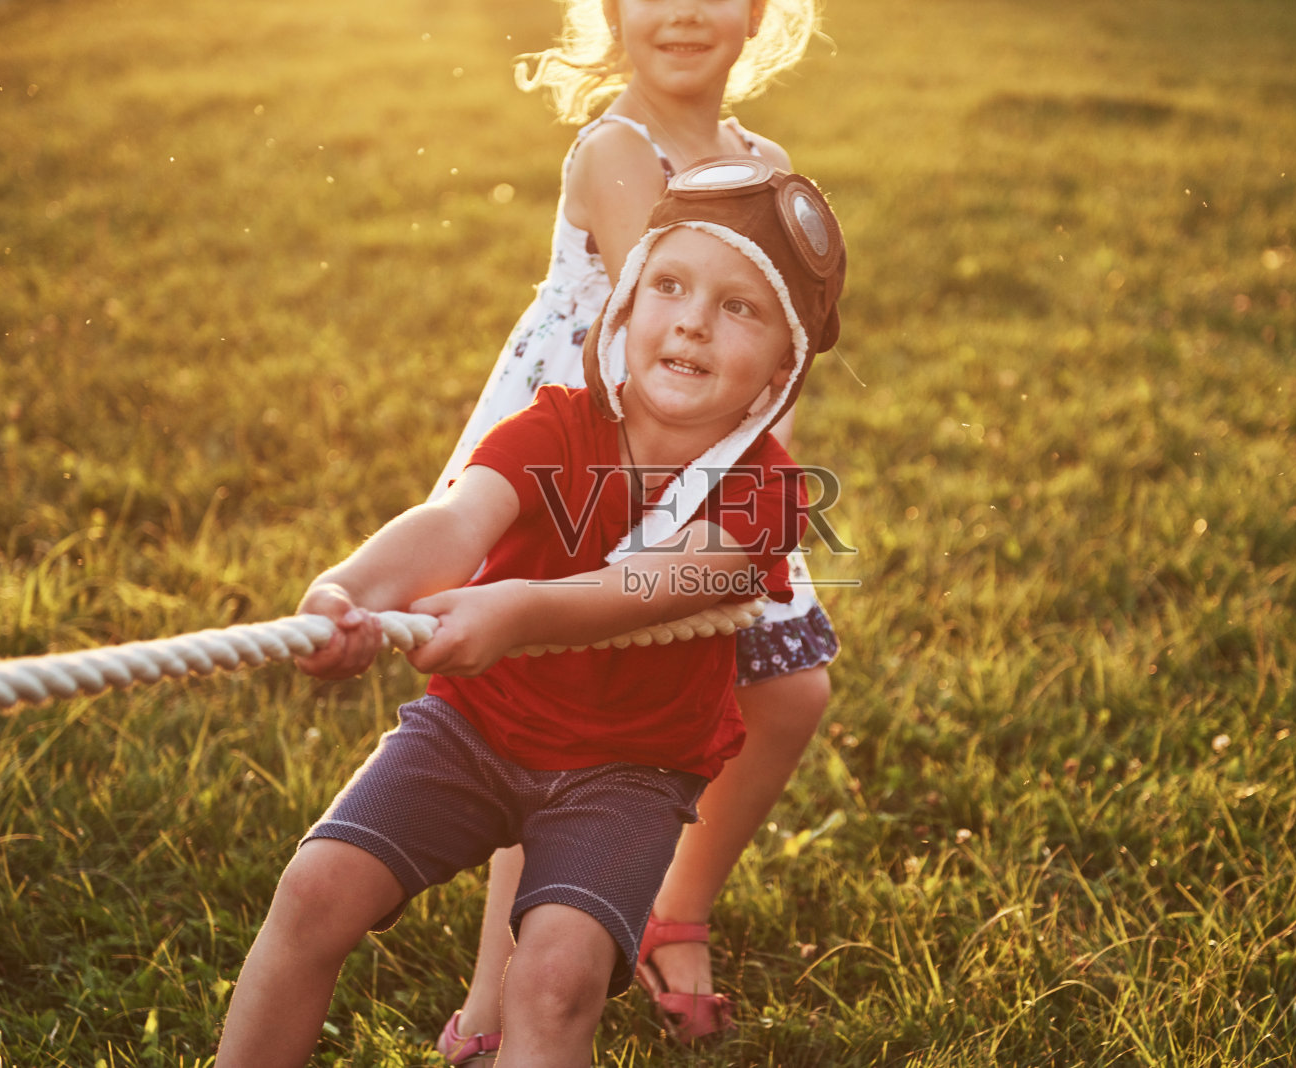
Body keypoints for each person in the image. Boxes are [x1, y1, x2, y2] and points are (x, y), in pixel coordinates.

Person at [214, 160, 847, 1068]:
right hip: (473, 727)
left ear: (785, 364)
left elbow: (661, 583)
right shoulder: (554, 427)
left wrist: (517, 611)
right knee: (316, 889)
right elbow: (453, 523)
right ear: (625, 304)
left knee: (555, 980)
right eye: (669, 285)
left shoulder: (770, 492)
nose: (693, 321)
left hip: (630, 771)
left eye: (739, 306)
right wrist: (350, 590)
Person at [431, 1, 837, 1055]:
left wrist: (759, 480)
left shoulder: (764, 162)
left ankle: (671, 908)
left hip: (717, 460)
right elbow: (668, 329)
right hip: (593, 465)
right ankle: (492, 1005)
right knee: (556, 710)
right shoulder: (618, 152)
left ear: (757, 13)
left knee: (789, 690)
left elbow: (773, 341)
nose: (685, 10)